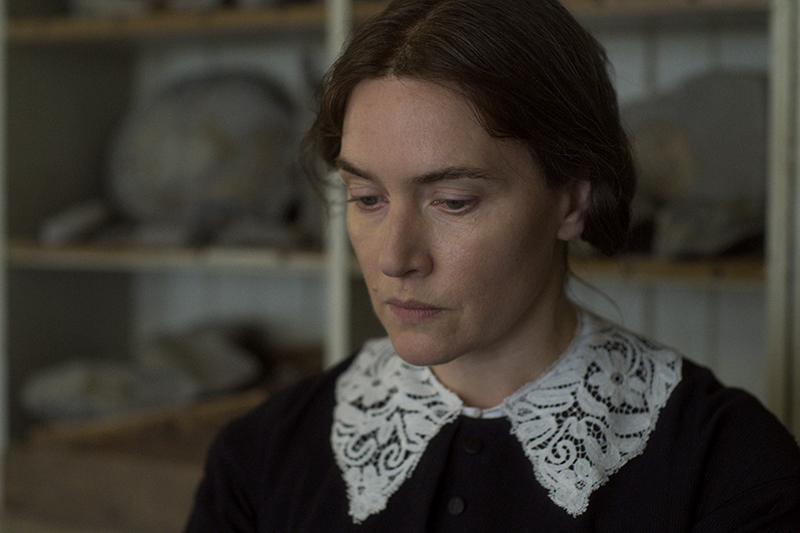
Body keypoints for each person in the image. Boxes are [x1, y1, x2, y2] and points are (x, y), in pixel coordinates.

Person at [184, 0, 800, 531]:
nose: (396, 257)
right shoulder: (261, 458)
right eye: (368, 198)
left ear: (572, 200)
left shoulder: (728, 467)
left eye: (453, 201)